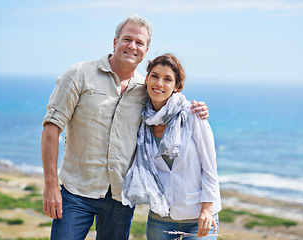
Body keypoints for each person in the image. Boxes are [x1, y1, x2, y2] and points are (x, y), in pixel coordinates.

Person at [41, 15, 209, 240]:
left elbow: (170, 104)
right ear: (115, 42)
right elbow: (51, 128)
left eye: (139, 42)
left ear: (146, 50)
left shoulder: (145, 88)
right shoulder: (79, 74)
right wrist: (51, 185)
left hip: (121, 198)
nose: (132, 46)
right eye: (127, 39)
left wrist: (197, 109)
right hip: (76, 192)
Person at [122, 53, 221, 240]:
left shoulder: (192, 115)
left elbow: (210, 167)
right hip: (160, 218)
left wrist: (207, 210)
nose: (159, 83)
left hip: (198, 217)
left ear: (177, 86)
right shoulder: (141, 120)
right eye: (155, 76)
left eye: (167, 79)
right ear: (147, 79)